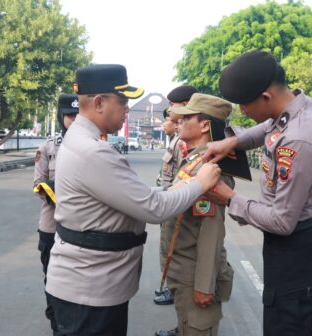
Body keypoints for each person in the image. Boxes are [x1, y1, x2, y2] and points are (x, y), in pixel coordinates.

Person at [45, 64, 221, 336]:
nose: (127, 109)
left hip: (90, 284)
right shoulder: (93, 152)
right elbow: (155, 208)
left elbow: (140, 196)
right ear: (99, 103)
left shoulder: (79, 141)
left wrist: (175, 187)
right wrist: (200, 183)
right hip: (90, 290)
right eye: (123, 101)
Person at [203, 50, 312, 336]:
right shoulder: (297, 106)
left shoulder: (299, 139)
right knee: (278, 315)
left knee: (286, 324)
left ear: (265, 97)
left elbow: (282, 221)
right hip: (294, 241)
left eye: (244, 105)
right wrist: (234, 142)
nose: (243, 112)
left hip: (297, 245)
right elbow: (269, 127)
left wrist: (230, 198)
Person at [156, 93, 236, 336]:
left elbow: (211, 232)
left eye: (186, 117)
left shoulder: (209, 168)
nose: (179, 121)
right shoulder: (193, 160)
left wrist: (204, 285)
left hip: (194, 276)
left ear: (204, 124)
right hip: (183, 272)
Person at [33, 93, 79, 335]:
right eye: (70, 115)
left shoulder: (93, 144)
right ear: (61, 117)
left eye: (77, 115)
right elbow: (38, 183)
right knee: (51, 278)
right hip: (52, 227)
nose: (74, 119)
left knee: (77, 281)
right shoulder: (48, 146)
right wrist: (65, 201)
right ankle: (56, 322)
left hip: (81, 229)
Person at [155, 85, 198, 310]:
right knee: (169, 251)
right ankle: (175, 294)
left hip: (181, 205)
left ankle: (178, 296)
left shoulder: (189, 143)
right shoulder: (178, 140)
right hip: (172, 200)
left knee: (180, 258)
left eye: (173, 105)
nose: (170, 111)